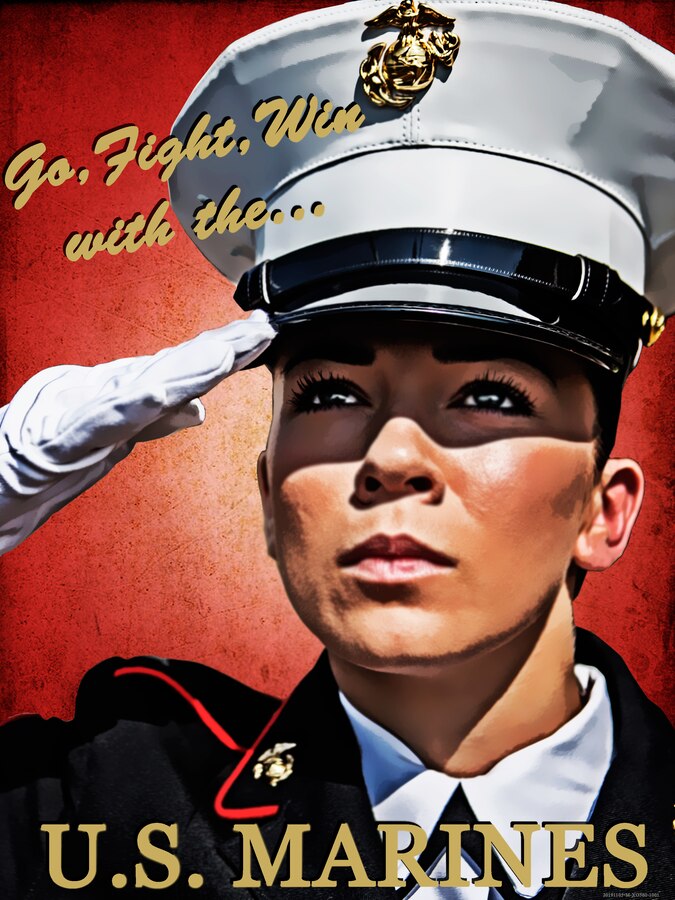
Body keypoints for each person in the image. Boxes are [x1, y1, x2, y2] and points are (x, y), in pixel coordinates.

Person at [1, 1, 673, 897]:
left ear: (604, 508)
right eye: (331, 394)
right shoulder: (98, 812)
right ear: (268, 488)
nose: (391, 456)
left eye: (487, 395)